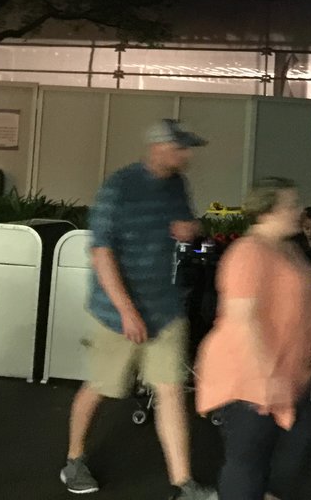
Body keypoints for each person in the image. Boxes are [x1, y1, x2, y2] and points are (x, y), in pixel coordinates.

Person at [60, 119, 216, 498]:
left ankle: (183, 483)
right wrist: (127, 311)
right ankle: (74, 460)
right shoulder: (119, 188)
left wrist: (191, 230)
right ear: (159, 148)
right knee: (101, 386)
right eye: (180, 148)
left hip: (165, 308)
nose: (187, 155)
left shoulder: (177, 184)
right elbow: (101, 254)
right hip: (117, 314)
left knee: (171, 391)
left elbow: (186, 225)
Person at [195, 177, 311, 500]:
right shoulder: (248, 253)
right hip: (249, 379)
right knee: (248, 463)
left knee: (294, 444)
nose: (298, 211)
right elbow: (243, 320)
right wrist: (268, 376)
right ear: (267, 211)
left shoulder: (288, 249)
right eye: (290, 205)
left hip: (284, 376)